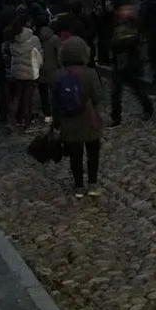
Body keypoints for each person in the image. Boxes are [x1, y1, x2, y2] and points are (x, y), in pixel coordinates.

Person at [52, 36, 105, 199]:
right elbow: (98, 96)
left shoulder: (58, 75)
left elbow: (55, 101)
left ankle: (78, 186)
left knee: (75, 155)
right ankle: (93, 184)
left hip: (69, 121)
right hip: (89, 120)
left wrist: (56, 122)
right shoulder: (90, 73)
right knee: (93, 153)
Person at [109, 1, 154, 126]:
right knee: (117, 91)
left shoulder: (134, 26)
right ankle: (116, 116)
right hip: (122, 62)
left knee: (136, 88)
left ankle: (148, 109)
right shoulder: (121, 25)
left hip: (130, 62)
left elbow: (128, 42)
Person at [4, 14, 43, 131]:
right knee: (27, 99)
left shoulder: (13, 38)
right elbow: (39, 55)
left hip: (16, 71)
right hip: (30, 71)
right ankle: (27, 123)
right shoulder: (34, 39)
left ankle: (11, 120)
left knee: (17, 96)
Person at [36, 12, 62, 125]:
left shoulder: (35, 38)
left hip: (40, 69)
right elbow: (60, 55)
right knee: (55, 93)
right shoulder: (55, 38)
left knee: (43, 94)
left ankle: (47, 114)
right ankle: (57, 113)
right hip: (54, 69)